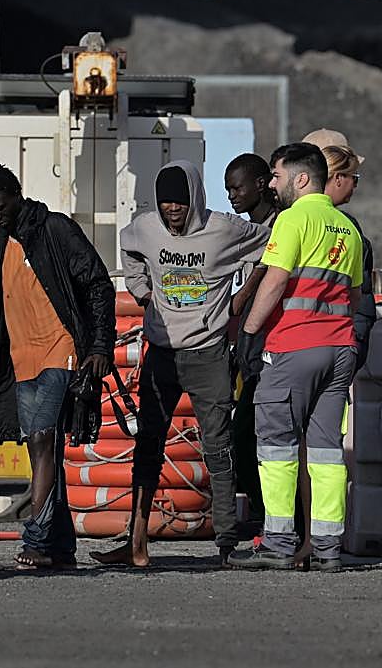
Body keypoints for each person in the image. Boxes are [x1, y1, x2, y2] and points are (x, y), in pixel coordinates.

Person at [91, 160, 269, 567]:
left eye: (180, 202)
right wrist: (140, 288)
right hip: (162, 353)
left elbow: (273, 243)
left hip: (207, 354)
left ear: (195, 198)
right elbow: (128, 244)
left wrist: (242, 295)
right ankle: (136, 539)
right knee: (148, 444)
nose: (173, 210)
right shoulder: (146, 227)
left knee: (218, 446)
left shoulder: (223, 228)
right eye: (166, 202)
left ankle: (226, 541)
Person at [0, 164, 115, 570]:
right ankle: (61, 547)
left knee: (41, 438)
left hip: (60, 351)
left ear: (16, 194)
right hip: (22, 362)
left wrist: (99, 346)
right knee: (43, 450)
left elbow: (97, 284)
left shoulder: (55, 230)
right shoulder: (3, 246)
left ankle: (37, 540)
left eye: (1, 206)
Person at [228, 142, 363, 570]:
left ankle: (280, 544)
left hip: (293, 348)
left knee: (277, 448)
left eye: (277, 175)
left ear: (302, 179)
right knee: (325, 452)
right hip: (340, 350)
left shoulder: (292, 220)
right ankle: (327, 548)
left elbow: (273, 281)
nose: (272, 183)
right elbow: (356, 297)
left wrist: (247, 332)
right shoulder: (347, 228)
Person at [224, 153, 277, 528]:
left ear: (261, 184)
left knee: (251, 436)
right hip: (243, 352)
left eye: (237, 187)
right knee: (241, 436)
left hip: (272, 352)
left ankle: (269, 515)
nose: (231, 196)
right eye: (227, 189)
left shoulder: (283, 226)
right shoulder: (239, 234)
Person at [322, 144, 377, 371]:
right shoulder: (346, 225)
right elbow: (358, 292)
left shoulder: (293, 219)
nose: (355, 185)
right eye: (355, 178)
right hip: (339, 339)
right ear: (337, 178)